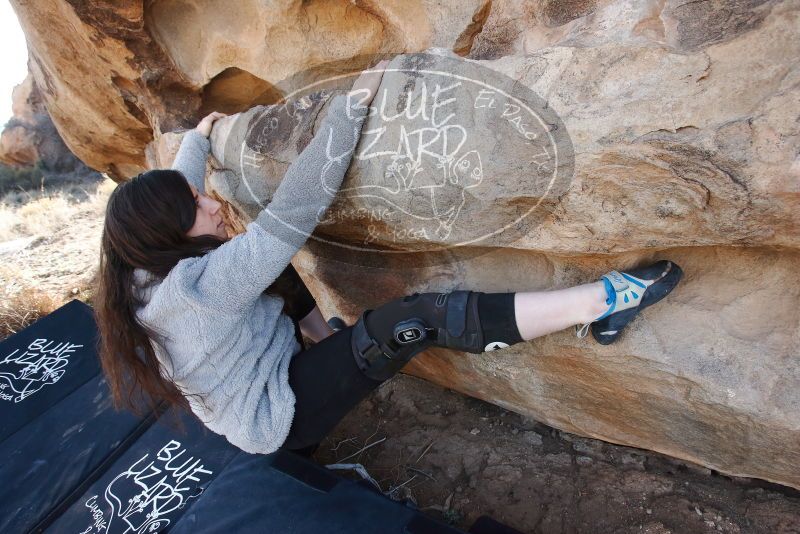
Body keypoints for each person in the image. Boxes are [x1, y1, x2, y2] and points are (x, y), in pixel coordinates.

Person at [95, 58, 683, 459]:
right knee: (415, 320)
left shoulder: (140, 259)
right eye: (196, 206)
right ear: (169, 234)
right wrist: (350, 111)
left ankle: (324, 339)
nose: (208, 201)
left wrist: (198, 141)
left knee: (274, 277)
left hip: (252, 358)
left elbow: (173, 191)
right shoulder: (199, 290)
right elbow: (294, 210)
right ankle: (608, 299)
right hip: (277, 410)